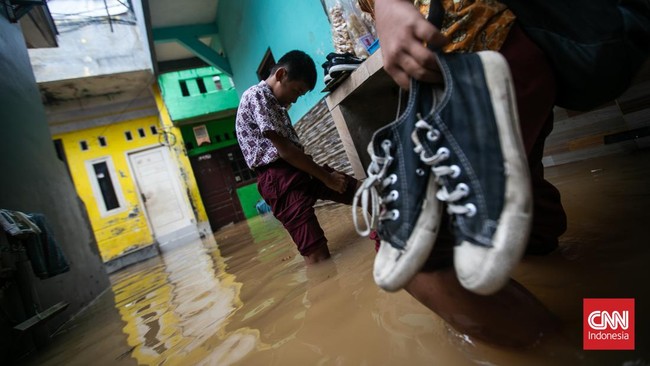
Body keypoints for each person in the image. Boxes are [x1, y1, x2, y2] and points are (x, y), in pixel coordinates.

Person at [358, 0, 570, 347]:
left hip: (465, 59)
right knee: (527, 218)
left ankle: (586, 348)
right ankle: (610, 319)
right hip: (509, 46)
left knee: (419, 258)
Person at [235, 50, 363, 264]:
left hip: (297, 167)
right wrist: (326, 178)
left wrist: (326, 177)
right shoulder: (256, 95)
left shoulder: (275, 103)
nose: (295, 98)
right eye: (296, 91)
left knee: (356, 189)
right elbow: (285, 150)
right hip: (278, 179)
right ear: (281, 74)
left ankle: (398, 212)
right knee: (317, 255)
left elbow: (292, 152)